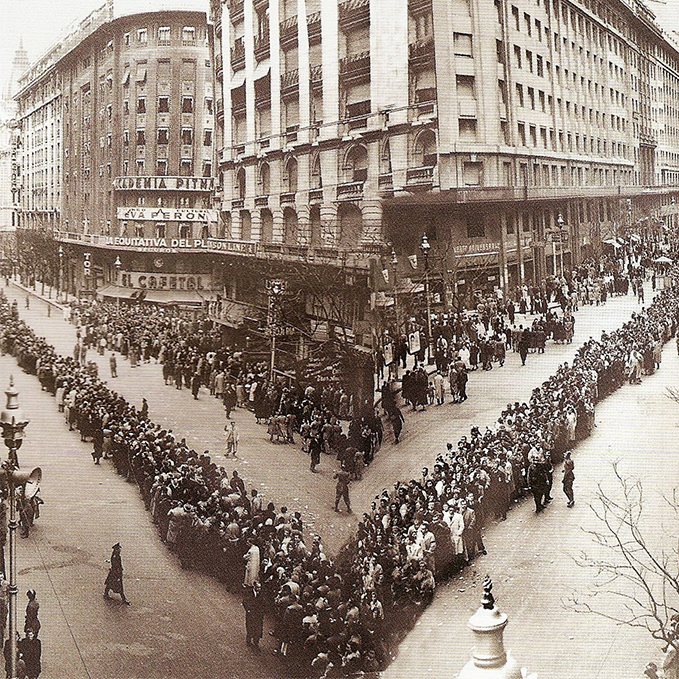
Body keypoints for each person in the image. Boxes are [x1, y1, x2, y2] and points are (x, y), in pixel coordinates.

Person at [242, 581, 264, 651]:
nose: (259, 589)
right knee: (249, 625)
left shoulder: (262, 594)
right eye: (257, 587)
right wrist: (248, 610)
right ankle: (248, 640)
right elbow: (245, 601)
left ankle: (256, 641)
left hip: (258, 614)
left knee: (258, 628)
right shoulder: (249, 593)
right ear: (254, 587)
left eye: (260, 588)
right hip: (251, 613)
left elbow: (264, 604)